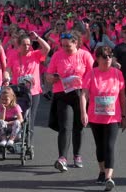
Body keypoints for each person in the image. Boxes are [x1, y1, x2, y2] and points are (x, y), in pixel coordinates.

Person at [80, 46, 126, 192]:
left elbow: (122, 97)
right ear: (98, 58)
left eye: (109, 56)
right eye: (104, 56)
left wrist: (125, 116)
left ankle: (108, 177)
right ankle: (101, 170)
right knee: (100, 146)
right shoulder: (91, 74)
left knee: (109, 146)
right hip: (95, 117)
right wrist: (83, 113)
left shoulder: (118, 74)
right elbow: (84, 95)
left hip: (113, 117)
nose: (108, 59)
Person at [47, 31, 94, 171]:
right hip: (63, 94)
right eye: (63, 46)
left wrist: (87, 87)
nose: (66, 49)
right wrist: (53, 78)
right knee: (65, 126)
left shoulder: (85, 55)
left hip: (80, 94)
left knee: (79, 126)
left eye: (69, 46)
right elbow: (48, 76)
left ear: (76, 43)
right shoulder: (57, 55)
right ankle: (62, 158)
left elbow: (93, 74)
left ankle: (77, 155)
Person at [6, 31, 50, 148]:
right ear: (18, 45)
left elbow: (47, 48)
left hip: (33, 92)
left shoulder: (35, 54)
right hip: (17, 91)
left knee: (30, 117)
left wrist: (37, 38)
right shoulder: (13, 56)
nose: (27, 47)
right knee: (17, 115)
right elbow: (8, 70)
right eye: (24, 44)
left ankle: (29, 142)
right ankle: (16, 136)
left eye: (28, 44)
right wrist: (6, 77)